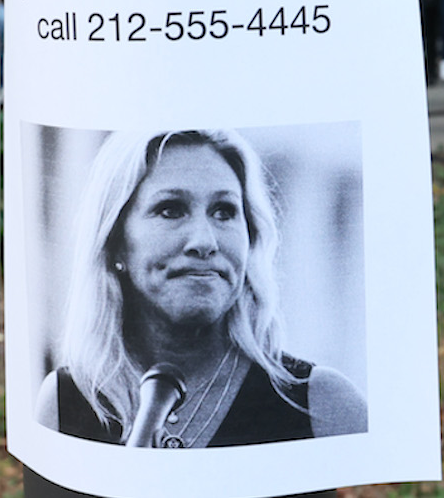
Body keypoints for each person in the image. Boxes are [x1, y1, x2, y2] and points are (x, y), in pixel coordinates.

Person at [36, 130, 368, 448]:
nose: (204, 242)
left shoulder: (322, 405)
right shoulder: (65, 403)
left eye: (224, 212)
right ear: (115, 243)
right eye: (170, 210)